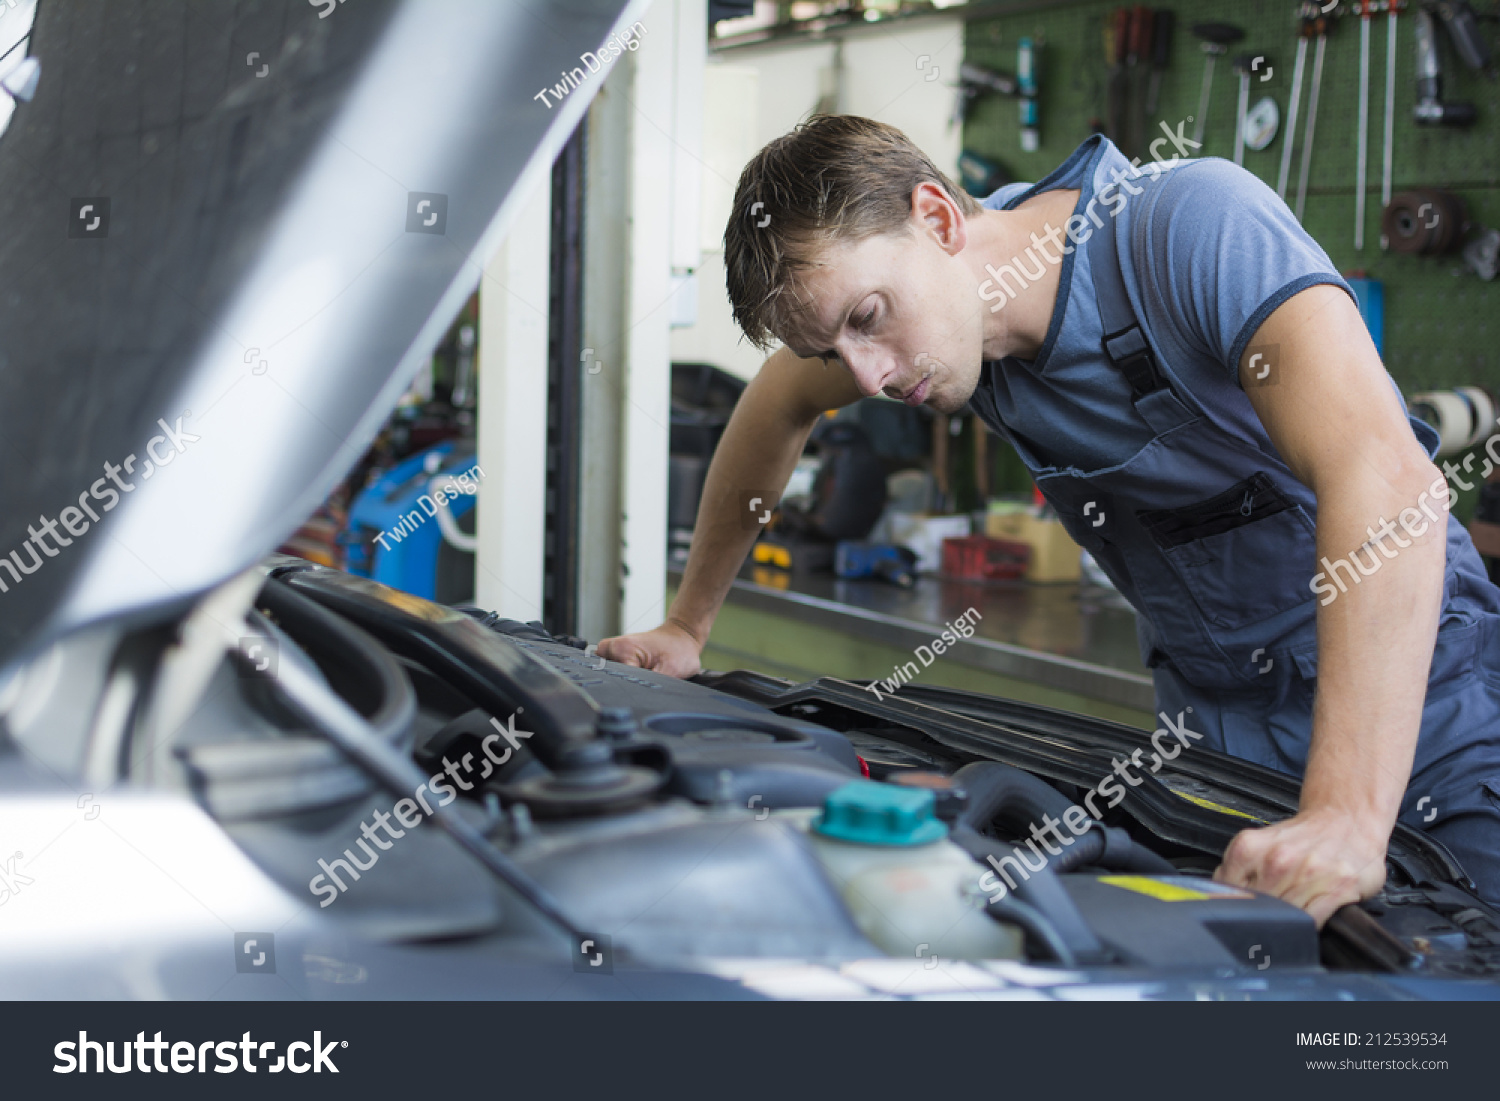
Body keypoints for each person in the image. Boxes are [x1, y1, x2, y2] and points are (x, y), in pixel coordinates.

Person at [598, 115, 1500, 923]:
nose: (866, 378)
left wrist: (1344, 812)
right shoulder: (924, 325)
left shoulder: (1187, 230)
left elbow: (1386, 480)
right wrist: (688, 623)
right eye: (829, 350)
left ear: (940, 219)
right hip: (1215, 752)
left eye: (868, 320)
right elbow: (772, 410)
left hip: (1423, 725)